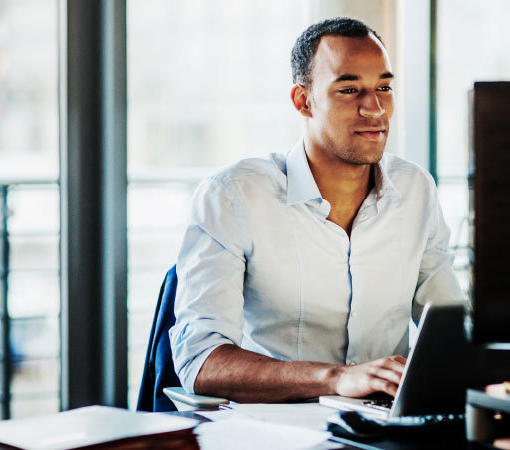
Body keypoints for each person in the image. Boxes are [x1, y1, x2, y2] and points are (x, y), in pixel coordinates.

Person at [170, 17, 463, 403]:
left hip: (388, 425)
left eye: (384, 87)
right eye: (349, 89)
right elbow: (201, 362)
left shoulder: (415, 189)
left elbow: (452, 331)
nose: (375, 108)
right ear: (303, 100)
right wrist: (336, 378)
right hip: (280, 429)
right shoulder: (233, 196)